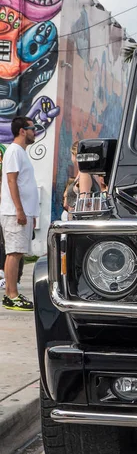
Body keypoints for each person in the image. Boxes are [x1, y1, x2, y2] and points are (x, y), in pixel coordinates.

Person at [0, 116, 39, 310]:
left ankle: (11, 293)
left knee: (17, 253)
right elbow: (11, 181)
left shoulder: (21, 153)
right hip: (15, 213)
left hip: (22, 213)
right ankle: (11, 295)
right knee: (13, 253)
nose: (35, 131)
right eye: (32, 128)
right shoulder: (14, 151)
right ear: (22, 131)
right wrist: (20, 210)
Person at [62, 141, 101, 218]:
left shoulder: (85, 173)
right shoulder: (90, 172)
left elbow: (85, 201)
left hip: (79, 220)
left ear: (74, 154)